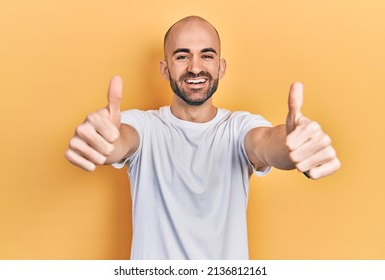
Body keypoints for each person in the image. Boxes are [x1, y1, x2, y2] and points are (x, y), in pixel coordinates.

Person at [65, 16, 340, 259]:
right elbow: (120, 140)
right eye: (182, 56)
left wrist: (295, 145)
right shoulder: (144, 126)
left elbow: (269, 143)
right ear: (165, 69)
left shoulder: (239, 127)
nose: (195, 67)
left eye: (207, 55)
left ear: (221, 67)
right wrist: (103, 140)